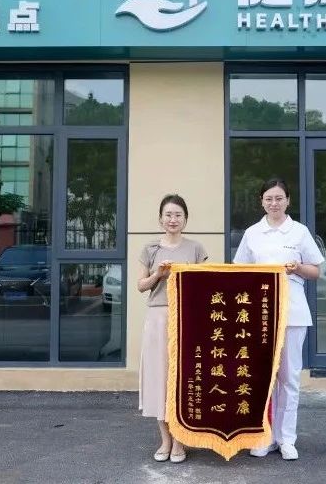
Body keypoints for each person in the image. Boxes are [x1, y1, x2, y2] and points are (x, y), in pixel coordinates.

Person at [233, 178, 324, 461]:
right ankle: (265, 436)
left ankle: (287, 439)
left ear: (288, 201)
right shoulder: (252, 233)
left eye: (279, 198)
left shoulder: (299, 231)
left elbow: (316, 271)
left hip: (293, 313)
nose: (274, 203)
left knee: (289, 378)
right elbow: (238, 272)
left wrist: (298, 268)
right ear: (261, 201)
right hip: (260, 316)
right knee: (262, 378)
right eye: (269, 198)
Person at [138, 193, 208, 464]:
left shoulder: (196, 249)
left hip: (186, 317)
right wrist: (159, 274)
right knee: (159, 378)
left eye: (178, 215)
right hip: (158, 317)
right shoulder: (150, 249)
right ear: (160, 219)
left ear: (185, 219)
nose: (173, 219)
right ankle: (165, 440)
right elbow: (141, 286)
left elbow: (205, 286)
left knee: (182, 378)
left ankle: (180, 440)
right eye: (168, 214)